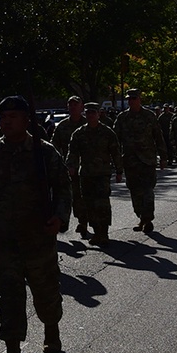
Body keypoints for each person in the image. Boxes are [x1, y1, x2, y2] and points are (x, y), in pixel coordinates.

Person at [0, 95, 70, 353]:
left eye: (13, 116)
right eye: (3, 117)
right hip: (4, 239)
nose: (7, 121)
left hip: (38, 236)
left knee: (46, 290)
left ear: (26, 120)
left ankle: (51, 330)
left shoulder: (44, 152)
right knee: (9, 296)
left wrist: (60, 217)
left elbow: (63, 187)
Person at [65, 103, 123, 247]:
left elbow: (116, 152)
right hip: (86, 175)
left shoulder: (107, 133)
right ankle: (97, 232)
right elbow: (72, 152)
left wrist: (119, 171)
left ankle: (104, 232)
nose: (90, 115)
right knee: (89, 204)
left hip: (102, 174)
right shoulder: (79, 133)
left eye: (93, 112)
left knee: (102, 204)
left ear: (98, 114)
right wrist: (71, 166)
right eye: (88, 112)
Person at [114, 88, 167, 233]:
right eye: (129, 99)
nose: (131, 101)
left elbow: (158, 137)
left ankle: (148, 219)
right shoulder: (122, 118)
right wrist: (115, 161)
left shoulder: (149, 116)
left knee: (148, 190)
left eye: (134, 98)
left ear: (139, 99)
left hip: (147, 160)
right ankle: (141, 217)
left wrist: (163, 157)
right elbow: (115, 141)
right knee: (134, 191)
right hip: (130, 161)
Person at [51, 97, 87, 235]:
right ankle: (72, 221)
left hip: (87, 168)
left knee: (85, 197)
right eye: (70, 105)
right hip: (69, 168)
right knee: (71, 196)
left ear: (81, 107)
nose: (72, 107)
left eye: (75, 105)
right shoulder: (62, 126)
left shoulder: (87, 123)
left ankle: (86, 221)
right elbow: (54, 146)